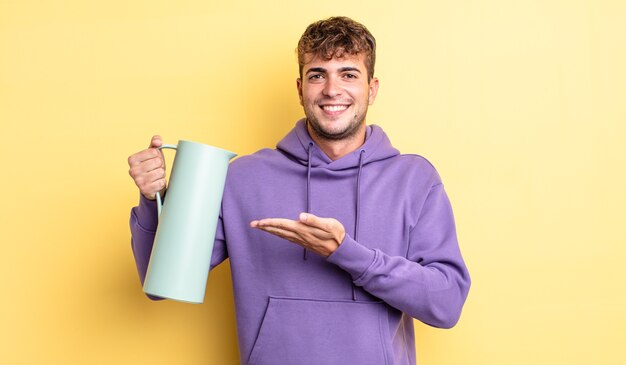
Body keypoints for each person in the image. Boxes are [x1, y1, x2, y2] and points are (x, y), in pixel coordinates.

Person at [127, 16, 470, 365]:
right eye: (317, 74)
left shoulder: (414, 179)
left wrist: (347, 253)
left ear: (372, 88)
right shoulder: (243, 178)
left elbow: (446, 305)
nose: (332, 90)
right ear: (299, 88)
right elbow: (160, 286)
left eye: (348, 74)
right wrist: (154, 199)